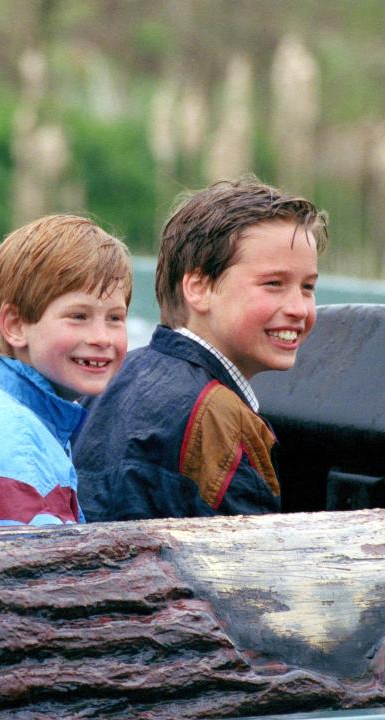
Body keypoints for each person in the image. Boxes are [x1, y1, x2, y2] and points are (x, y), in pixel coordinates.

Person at [73, 177, 328, 521]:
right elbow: (253, 564)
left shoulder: (111, 378)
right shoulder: (223, 420)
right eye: (274, 284)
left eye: (308, 287)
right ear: (198, 288)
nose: (299, 308)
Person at [0, 214, 132, 526]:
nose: (101, 338)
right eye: (78, 316)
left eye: (115, 318)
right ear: (15, 326)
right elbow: (38, 569)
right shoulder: (17, 447)